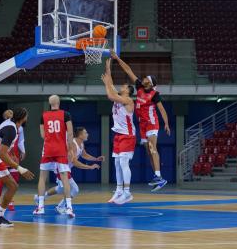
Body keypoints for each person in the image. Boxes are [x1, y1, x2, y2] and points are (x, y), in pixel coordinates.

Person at [110, 50, 170, 192]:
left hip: (152, 123)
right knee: (148, 151)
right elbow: (128, 70)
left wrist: (166, 123)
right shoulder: (139, 87)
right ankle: (157, 176)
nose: (142, 79)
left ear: (150, 82)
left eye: (146, 79)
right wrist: (117, 58)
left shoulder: (155, 95)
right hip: (142, 125)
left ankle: (159, 176)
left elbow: (161, 110)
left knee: (152, 147)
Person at [34, 127, 104, 214]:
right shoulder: (73, 145)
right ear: (80, 135)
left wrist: (96, 159)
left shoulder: (81, 144)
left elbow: (84, 155)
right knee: (75, 189)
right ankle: (60, 206)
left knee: (60, 189)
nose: (87, 134)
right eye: (85, 133)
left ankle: (40, 197)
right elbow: (74, 162)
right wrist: (90, 167)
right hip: (61, 168)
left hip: (65, 168)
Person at [33, 95, 75, 217]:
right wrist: (70, 149)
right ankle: (69, 208)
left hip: (48, 149)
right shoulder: (66, 114)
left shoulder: (43, 115)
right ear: (59, 102)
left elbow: (42, 135)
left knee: (42, 178)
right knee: (65, 178)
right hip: (61, 149)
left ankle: (40, 207)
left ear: (49, 103)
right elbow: (70, 133)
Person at [101, 58, 136, 204]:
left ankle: (127, 192)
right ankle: (119, 190)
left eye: (125, 86)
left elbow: (110, 93)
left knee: (123, 163)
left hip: (128, 135)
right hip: (118, 135)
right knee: (116, 163)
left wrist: (106, 83)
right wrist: (108, 68)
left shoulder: (128, 101)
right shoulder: (119, 98)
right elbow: (111, 86)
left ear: (128, 91)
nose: (122, 86)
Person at [0, 109, 26, 212]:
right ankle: (3, 202)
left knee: (8, 179)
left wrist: (22, 151)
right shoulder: (10, 127)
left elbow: (20, 141)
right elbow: (18, 142)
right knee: (8, 179)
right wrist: (21, 152)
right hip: (8, 152)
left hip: (10, 152)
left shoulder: (15, 127)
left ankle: (3, 202)